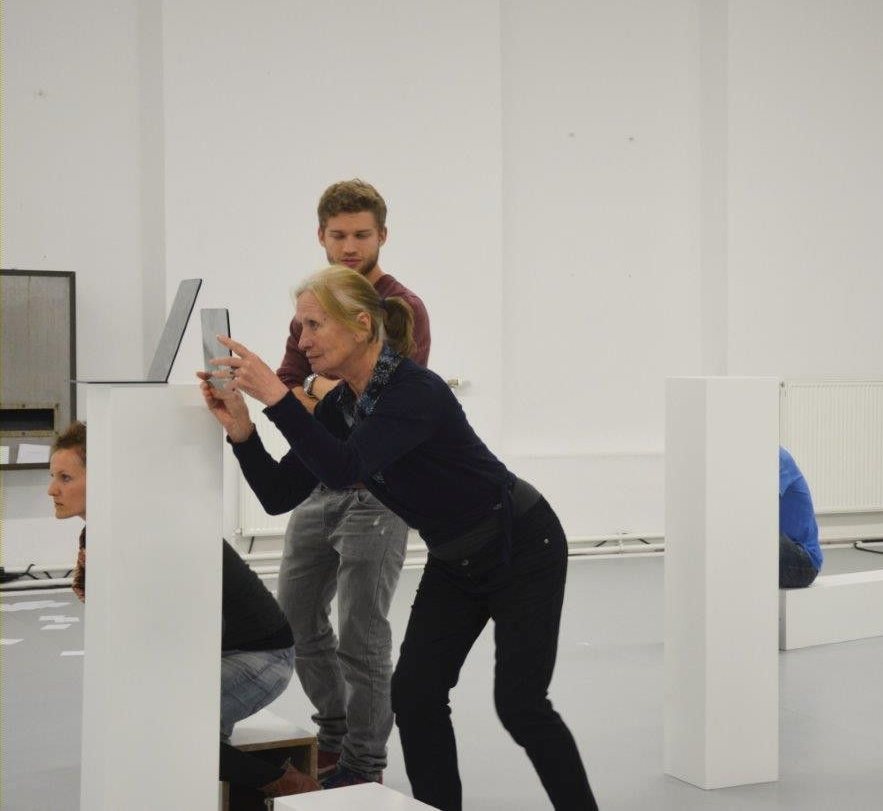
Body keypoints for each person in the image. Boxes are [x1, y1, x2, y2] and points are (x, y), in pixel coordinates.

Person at [199, 266, 597, 811]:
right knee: (415, 696)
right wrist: (243, 431)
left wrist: (277, 397)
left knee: (521, 706)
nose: (302, 341)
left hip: (522, 545)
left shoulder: (414, 392)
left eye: (313, 325)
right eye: (300, 327)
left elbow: (346, 467)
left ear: (361, 324)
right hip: (454, 560)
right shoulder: (342, 405)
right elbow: (278, 493)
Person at [46, 422, 319, 799]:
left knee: (157, 729)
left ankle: (290, 786)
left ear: (106, 477)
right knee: (141, 721)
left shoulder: (149, 529)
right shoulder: (105, 532)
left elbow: (195, 623)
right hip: (217, 652)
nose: (52, 489)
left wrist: (169, 696)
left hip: (260, 658)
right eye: (53, 477)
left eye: (65, 477)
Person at [273, 179, 430, 787]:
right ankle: (335, 734)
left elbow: (388, 400)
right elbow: (287, 386)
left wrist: (313, 392)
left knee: (361, 634)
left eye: (362, 234)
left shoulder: (403, 307)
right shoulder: (314, 301)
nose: (349, 246)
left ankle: (364, 764)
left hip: (379, 493)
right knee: (295, 618)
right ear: (320, 235)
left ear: (382, 235)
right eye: (338, 235)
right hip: (319, 482)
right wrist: (321, 389)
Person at [778, 447, 823, 588]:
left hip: (804, 560)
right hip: (785, 549)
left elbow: (758, 512)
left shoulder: (777, 458)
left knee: (760, 539)